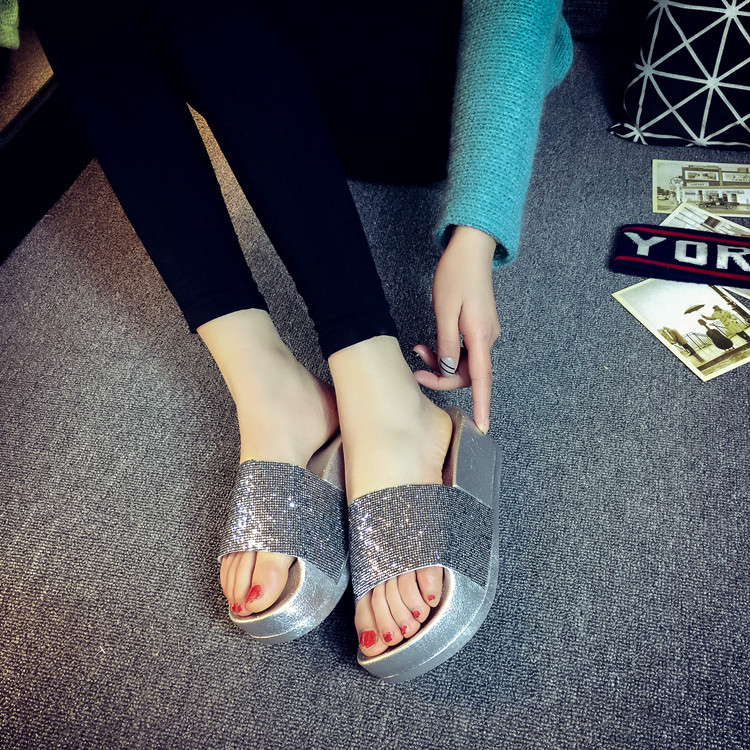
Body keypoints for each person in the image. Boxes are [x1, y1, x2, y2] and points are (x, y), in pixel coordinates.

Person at [26, 0, 572, 674]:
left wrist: (478, 229)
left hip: (428, 84)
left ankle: (383, 392)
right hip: (274, 82)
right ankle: (266, 384)